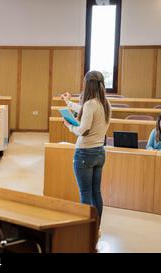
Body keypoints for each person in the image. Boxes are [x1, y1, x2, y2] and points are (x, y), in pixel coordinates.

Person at [60, 70, 111, 225]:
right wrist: (68, 103)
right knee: (96, 192)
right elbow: (84, 109)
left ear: (88, 84)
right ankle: (96, 227)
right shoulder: (105, 103)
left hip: (85, 154)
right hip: (99, 152)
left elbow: (83, 130)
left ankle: (86, 230)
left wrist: (69, 125)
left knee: (85, 193)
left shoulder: (90, 104)